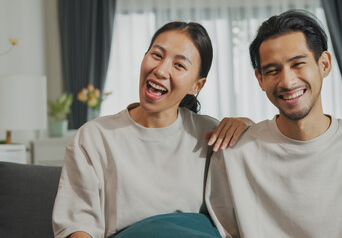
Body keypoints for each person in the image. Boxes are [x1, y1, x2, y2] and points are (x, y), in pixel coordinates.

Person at [206, 10, 342, 238]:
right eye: (273, 71)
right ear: (260, 79)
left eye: (298, 64)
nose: (287, 81)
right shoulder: (232, 155)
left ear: (324, 64)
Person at [52, 21, 252, 238]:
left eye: (179, 65)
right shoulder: (95, 137)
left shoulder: (211, 135)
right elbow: (77, 223)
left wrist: (248, 129)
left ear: (197, 86)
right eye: (157, 55)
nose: (161, 70)